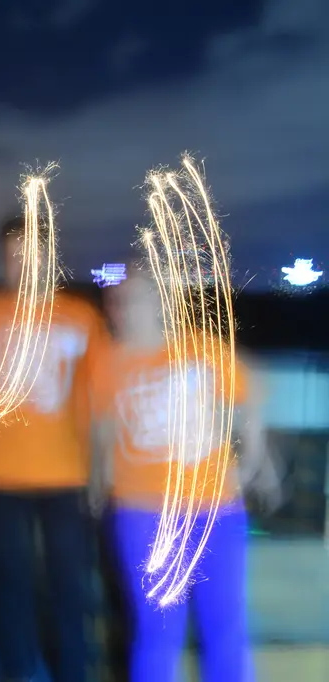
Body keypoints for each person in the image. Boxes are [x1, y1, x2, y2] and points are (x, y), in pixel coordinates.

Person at [91, 263, 276, 682]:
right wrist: (101, 484)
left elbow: (251, 398)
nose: (121, 309)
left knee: (225, 629)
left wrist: (248, 465)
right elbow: (103, 433)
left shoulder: (203, 349)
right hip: (143, 514)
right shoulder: (107, 363)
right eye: (115, 300)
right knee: (157, 634)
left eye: (132, 298)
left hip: (216, 511)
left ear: (158, 303)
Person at [0, 216, 108, 682]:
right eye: (14, 257)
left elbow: (103, 399)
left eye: (33, 255)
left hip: (66, 476)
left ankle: (71, 670)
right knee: (10, 583)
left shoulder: (82, 318)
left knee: (69, 584)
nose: (24, 265)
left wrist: (100, 471)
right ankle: (16, 667)